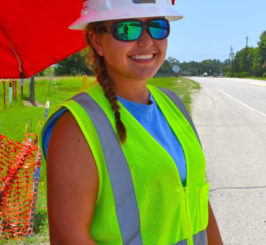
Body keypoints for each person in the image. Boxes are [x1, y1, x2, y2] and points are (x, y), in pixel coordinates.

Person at [40, 0, 223, 244]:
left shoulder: (172, 104)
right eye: (128, 29)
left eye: (157, 26)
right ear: (97, 42)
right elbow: (69, 239)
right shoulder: (76, 127)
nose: (147, 41)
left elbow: (197, 200)